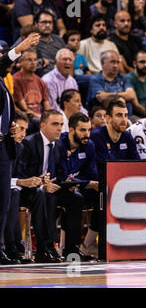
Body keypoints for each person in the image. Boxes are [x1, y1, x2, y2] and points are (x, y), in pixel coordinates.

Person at [17, 109, 92, 262]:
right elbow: (21, 174)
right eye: (55, 124)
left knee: (75, 198)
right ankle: (46, 248)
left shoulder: (58, 147)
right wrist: (42, 185)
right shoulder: (29, 143)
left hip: (50, 188)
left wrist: (67, 184)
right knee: (46, 196)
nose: (59, 128)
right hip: (29, 190)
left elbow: (60, 174)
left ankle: (72, 249)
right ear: (42, 125)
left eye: (61, 124)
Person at [0, 35, 40, 264]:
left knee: (4, 201)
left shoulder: (3, 83)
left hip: (4, 144)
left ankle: (2, 248)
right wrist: (18, 49)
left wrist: (11, 125)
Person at [59, 112, 99, 258]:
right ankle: (70, 249)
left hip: (79, 187)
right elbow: (62, 177)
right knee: (75, 198)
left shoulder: (89, 146)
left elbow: (92, 174)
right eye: (82, 130)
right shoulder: (60, 144)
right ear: (71, 130)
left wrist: (84, 183)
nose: (87, 134)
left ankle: (89, 245)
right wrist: (86, 183)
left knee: (103, 195)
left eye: (89, 130)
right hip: (60, 188)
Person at [5, 111, 36, 264]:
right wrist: (20, 182)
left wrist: (38, 181)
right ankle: (13, 246)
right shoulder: (3, 146)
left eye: (25, 129)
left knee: (19, 193)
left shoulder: (20, 147)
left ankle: (19, 247)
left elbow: (18, 174)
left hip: (10, 190)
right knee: (13, 192)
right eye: (20, 129)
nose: (23, 134)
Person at [87, 50, 144, 117]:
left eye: (117, 62)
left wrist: (109, 95)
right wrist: (124, 95)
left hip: (129, 117)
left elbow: (131, 95)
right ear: (102, 63)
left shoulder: (124, 78)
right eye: (112, 62)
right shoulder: (95, 79)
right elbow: (102, 98)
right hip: (106, 118)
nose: (116, 65)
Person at [90, 98, 140, 162]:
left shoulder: (127, 136)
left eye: (126, 115)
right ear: (108, 118)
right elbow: (103, 168)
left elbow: (137, 164)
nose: (124, 120)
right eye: (119, 115)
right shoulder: (97, 136)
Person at [13, 50, 52, 124]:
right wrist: (42, 117)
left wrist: (50, 116)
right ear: (20, 62)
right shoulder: (16, 80)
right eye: (29, 60)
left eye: (35, 60)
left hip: (39, 117)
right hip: (25, 118)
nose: (33, 63)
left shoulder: (39, 81)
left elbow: (46, 103)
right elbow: (24, 108)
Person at [35, 10, 67, 76]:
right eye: (44, 22)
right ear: (36, 24)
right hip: (40, 77)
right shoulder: (29, 40)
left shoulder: (59, 40)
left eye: (50, 22)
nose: (47, 25)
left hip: (60, 75)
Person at [127, 50, 146, 115]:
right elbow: (135, 106)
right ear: (134, 64)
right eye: (142, 62)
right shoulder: (128, 79)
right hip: (136, 116)